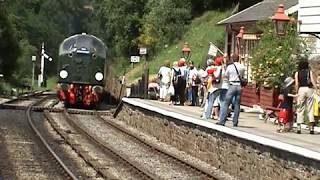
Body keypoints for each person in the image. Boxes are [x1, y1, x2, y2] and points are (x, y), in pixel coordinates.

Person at [217, 55, 245, 126]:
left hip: (232, 85)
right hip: (239, 86)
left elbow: (226, 75)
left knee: (226, 103)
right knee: (237, 105)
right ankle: (235, 122)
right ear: (238, 59)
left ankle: (222, 121)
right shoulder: (242, 67)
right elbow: (242, 76)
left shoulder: (230, 67)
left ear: (232, 59)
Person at [294, 60, 317, 134]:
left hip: (301, 89)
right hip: (309, 89)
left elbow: (297, 84)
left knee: (300, 108)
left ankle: (298, 128)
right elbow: (313, 81)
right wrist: (316, 89)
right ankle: (311, 128)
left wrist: (297, 92)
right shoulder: (309, 72)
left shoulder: (297, 73)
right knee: (310, 108)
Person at [203, 56, 225, 120]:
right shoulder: (224, 68)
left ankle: (207, 115)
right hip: (223, 86)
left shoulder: (218, 68)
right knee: (222, 102)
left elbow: (217, 76)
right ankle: (222, 117)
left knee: (211, 101)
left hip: (216, 87)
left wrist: (212, 72)